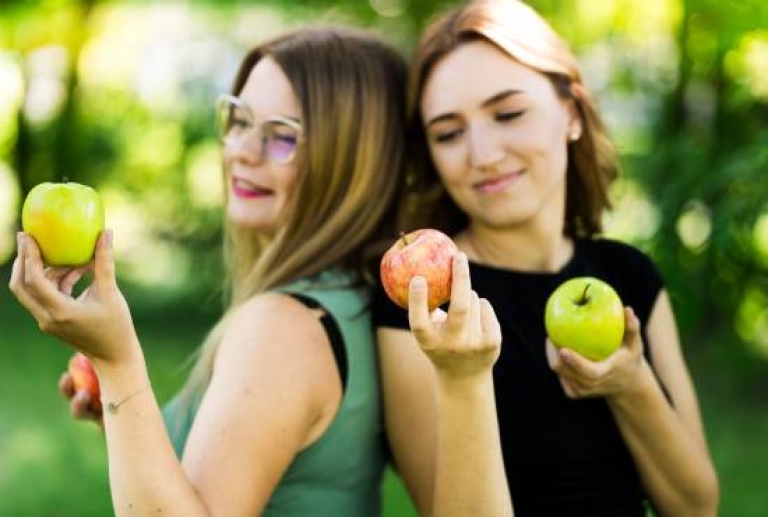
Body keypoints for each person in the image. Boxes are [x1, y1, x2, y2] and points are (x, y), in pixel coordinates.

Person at [10, 26, 409, 516]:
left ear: (352, 163)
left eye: (282, 135)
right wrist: (121, 413)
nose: (241, 149)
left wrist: (117, 362)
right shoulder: (347, 299)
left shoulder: (281, 327)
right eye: (238, 119)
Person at [374, 1, 720, 515]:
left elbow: (695, 507)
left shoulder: (629, 275)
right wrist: (463, 376)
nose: (484, 153)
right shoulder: (427, 305)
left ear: (572, 115)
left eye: (508, 114)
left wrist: (631, 383)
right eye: (449, 133)